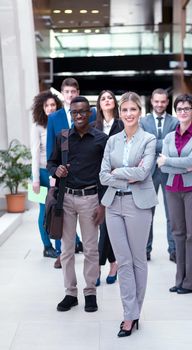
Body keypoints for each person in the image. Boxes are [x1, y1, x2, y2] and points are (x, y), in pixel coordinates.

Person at [100, 91, 158, 337]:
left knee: (137, 261)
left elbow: (143, 173)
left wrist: (118, 172)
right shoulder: (112, 141)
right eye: (124, 110)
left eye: (133, 109)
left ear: (139, 112)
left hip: (139, 206)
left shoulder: (149, 139)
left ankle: (135, 314)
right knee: (123, 261)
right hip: (113, 205)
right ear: (120, 112)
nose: (128, 114)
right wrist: (127, 174)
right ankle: (128, 315)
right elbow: (103, 175)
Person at [47, 96, 108, 313]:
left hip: (91, 198)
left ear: (90, 112)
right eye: (75, 113)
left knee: (91, 249)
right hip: (66, 199)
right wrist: (57, 170)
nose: (79, 116)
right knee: (67, 250)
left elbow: (106, 174)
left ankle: (90, 292)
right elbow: (51, 163)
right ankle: (70, 293)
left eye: (83, 112)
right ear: (70, 114)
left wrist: (103, 204)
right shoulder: (62, 137)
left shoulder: (101, 139)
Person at [157, 93, 192, 294]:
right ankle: (180, 279)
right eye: (179, 109)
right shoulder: (169, 136)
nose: (183, 112)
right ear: (175, 112)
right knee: (177, 233)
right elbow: (164, 167)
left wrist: (169, 161)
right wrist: (183, 166)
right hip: (172, 189)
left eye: (187, 108)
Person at [46, 78, 85, 268]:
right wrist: (52, 175)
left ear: (78, 92)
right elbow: (49, 149)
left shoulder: (89, 114)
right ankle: (61, 253)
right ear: (63, 94)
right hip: (62, 173)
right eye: (67, 92)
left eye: (73, 91)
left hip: (83, 171)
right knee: (60, 213)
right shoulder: (54, 118)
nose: (70, 95)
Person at [140, 88, 178, 262]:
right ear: (151, 102)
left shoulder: (175, 121)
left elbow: (174, 144)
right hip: (149, 171)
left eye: (163, 101)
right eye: (156, 101)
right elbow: (142, 144)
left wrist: (154, 143)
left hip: (169, 170)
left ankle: (174, 249)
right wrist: (163, 143)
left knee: (172, 212)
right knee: (148, 212)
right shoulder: (143, 121)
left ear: (167, 102)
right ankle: (146, 249)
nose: (160, 104)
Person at [93, 90, 124, 286]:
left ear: (114, 103)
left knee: (106, 223)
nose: (107, 101)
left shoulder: (121, 125)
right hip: (95, 179)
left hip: (114, 178)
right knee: (105, 224)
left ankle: (97, 266)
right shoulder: (91, 126)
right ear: (99, 103)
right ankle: (114, 262)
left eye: (110, 98)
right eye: (103, 98)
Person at [31, 90, 62, 258]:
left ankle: (62, 245)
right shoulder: (37, 126)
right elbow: (34, 154)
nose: (50, 108)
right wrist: (35, 180)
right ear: (41, 108)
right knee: (44, 210)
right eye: (47, 105)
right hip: (40, 174)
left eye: (53, 105)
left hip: (55, 173)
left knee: (58, 209)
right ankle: (47, 246)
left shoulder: (59, 123)